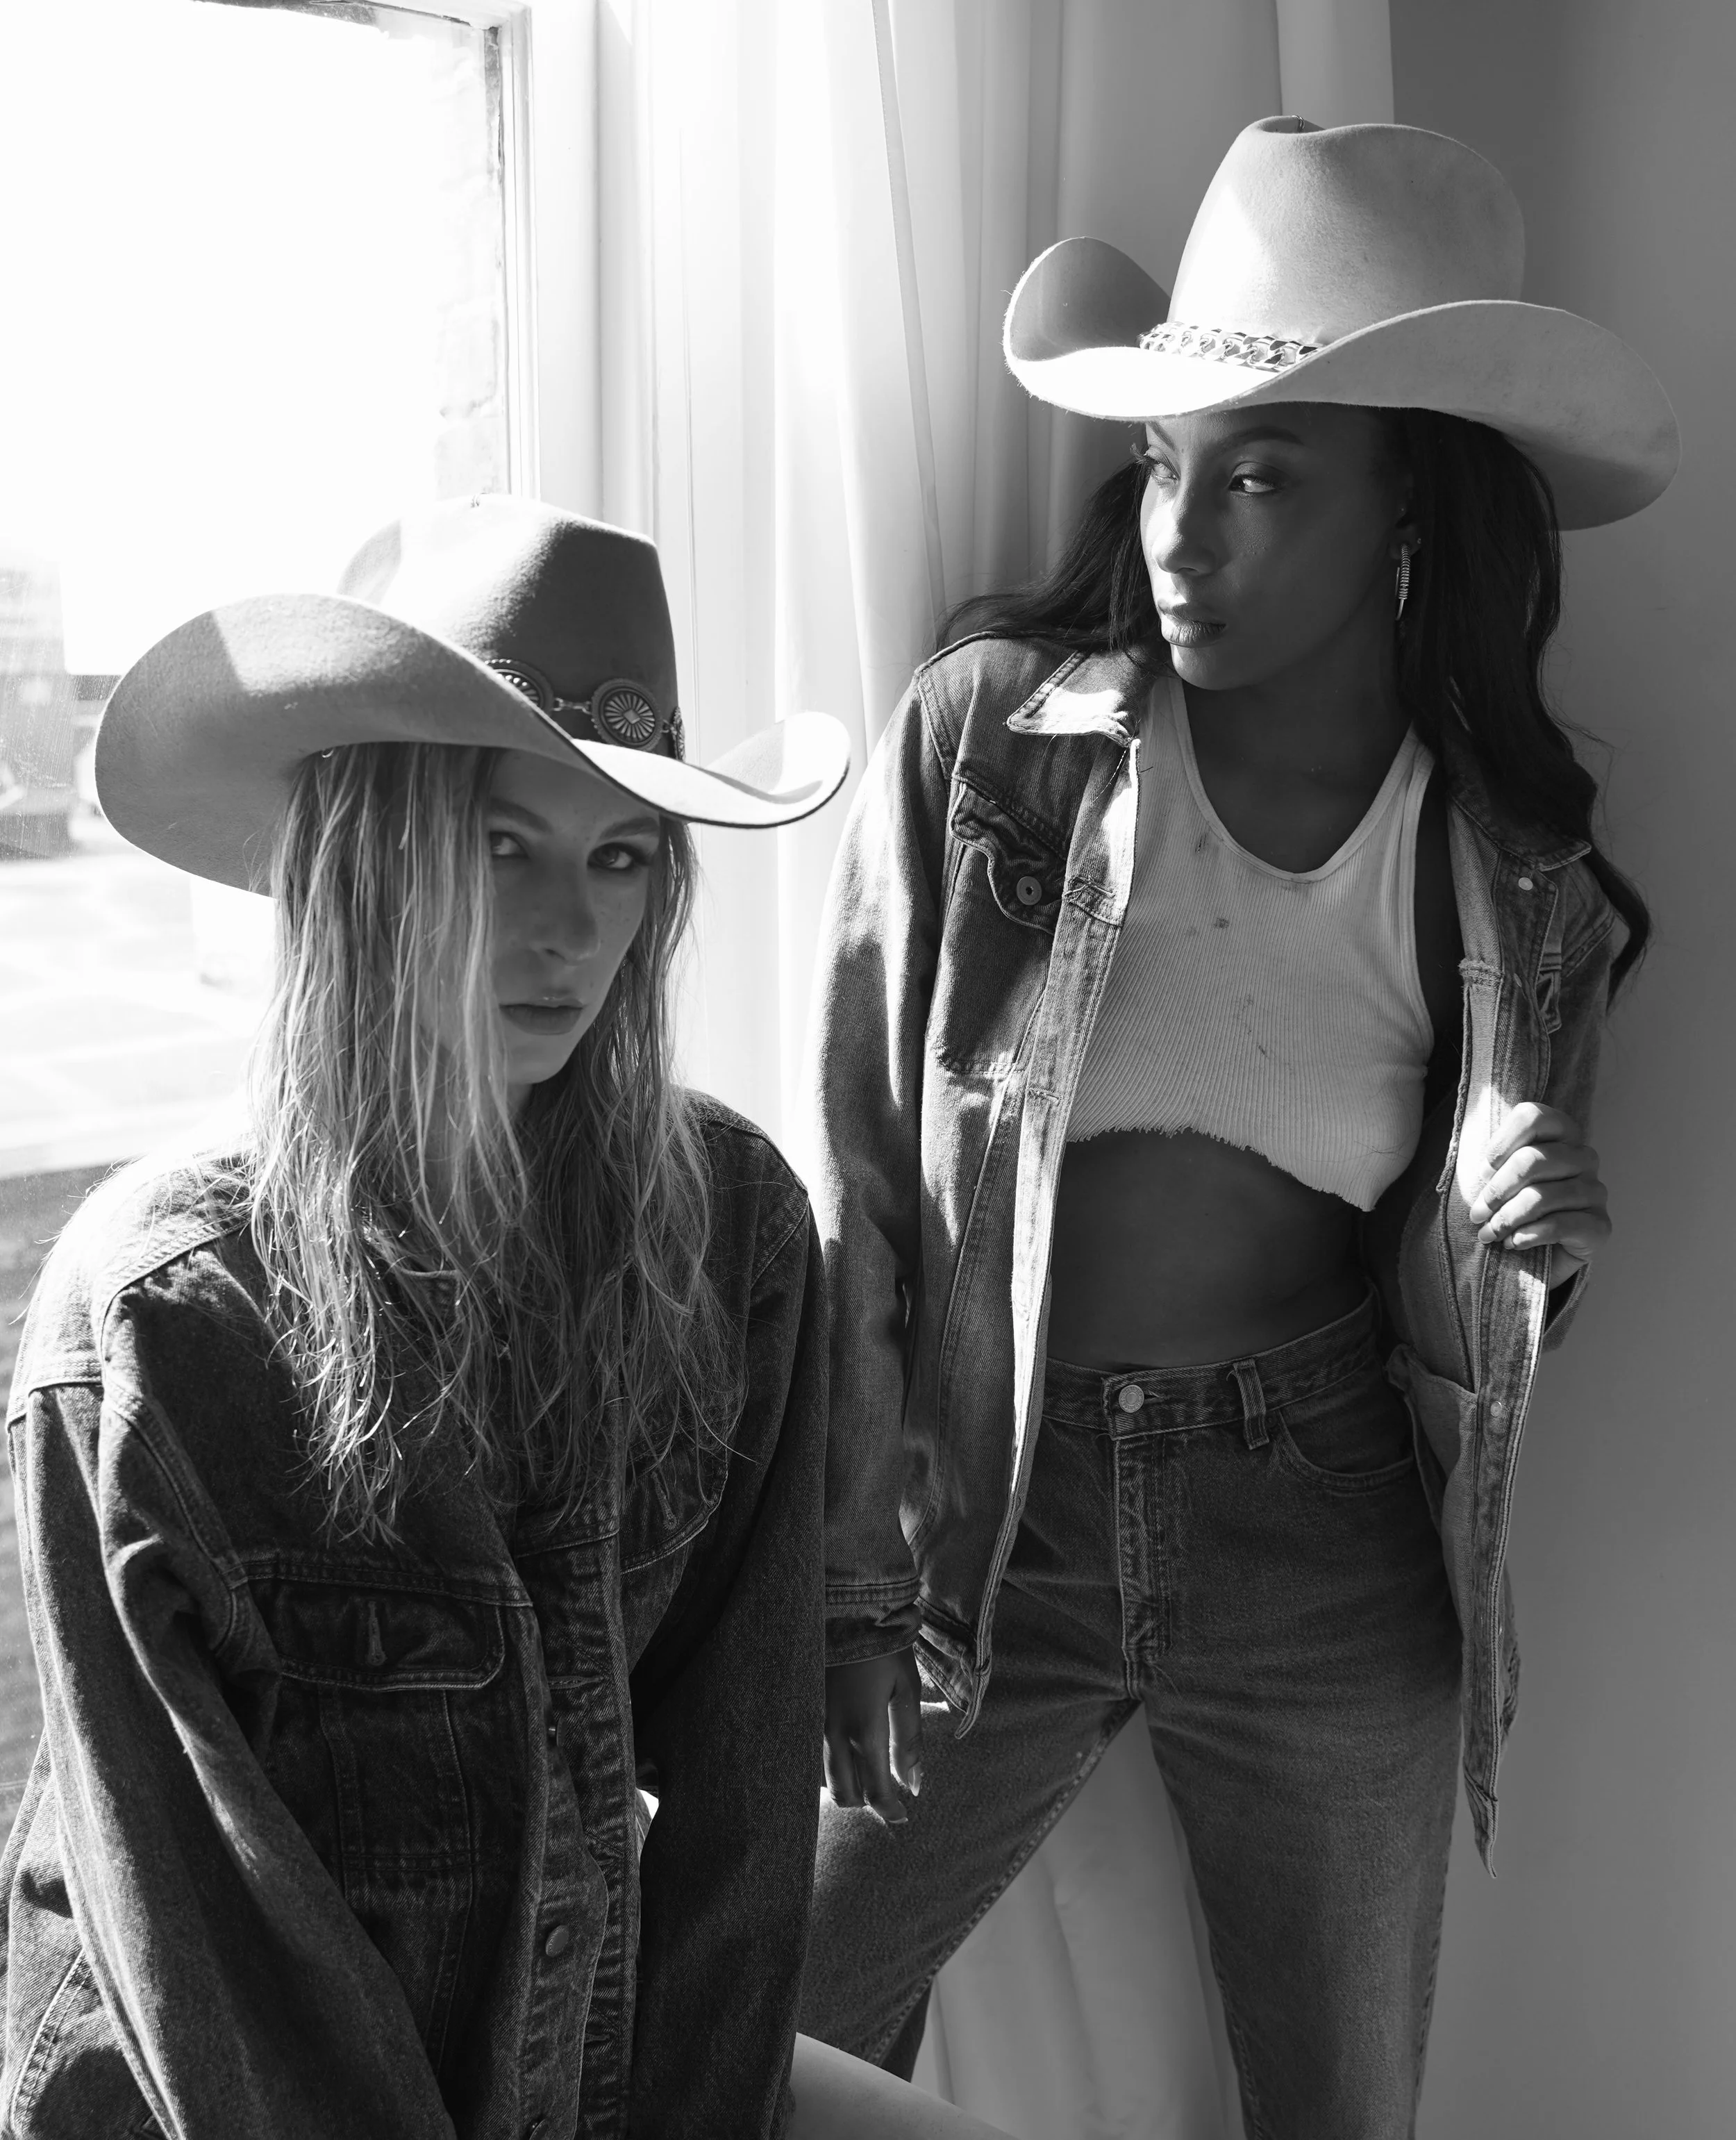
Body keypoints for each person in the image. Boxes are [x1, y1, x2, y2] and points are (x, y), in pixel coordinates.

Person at [798, 115, 1678, 2137]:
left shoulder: (1513, 879)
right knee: (767, 2025)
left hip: (1321, 1528)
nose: (1182, 539)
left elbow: (1477, 1355)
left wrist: (1504, 1246)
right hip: (982, 1530)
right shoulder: (994, 750)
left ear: (1406, 518)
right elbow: (860, 1181)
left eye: (1263, 478)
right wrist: (847, 1582)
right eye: (1166, 472)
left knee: (1337, 2110)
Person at [0, 497, 851, 2139]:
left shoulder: (730, 1235)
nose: (573, 930)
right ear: (366, 861)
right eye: (501, 843)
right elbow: (204, 1950)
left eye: (619, 857)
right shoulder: (160, 1322)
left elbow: (740, 1829)